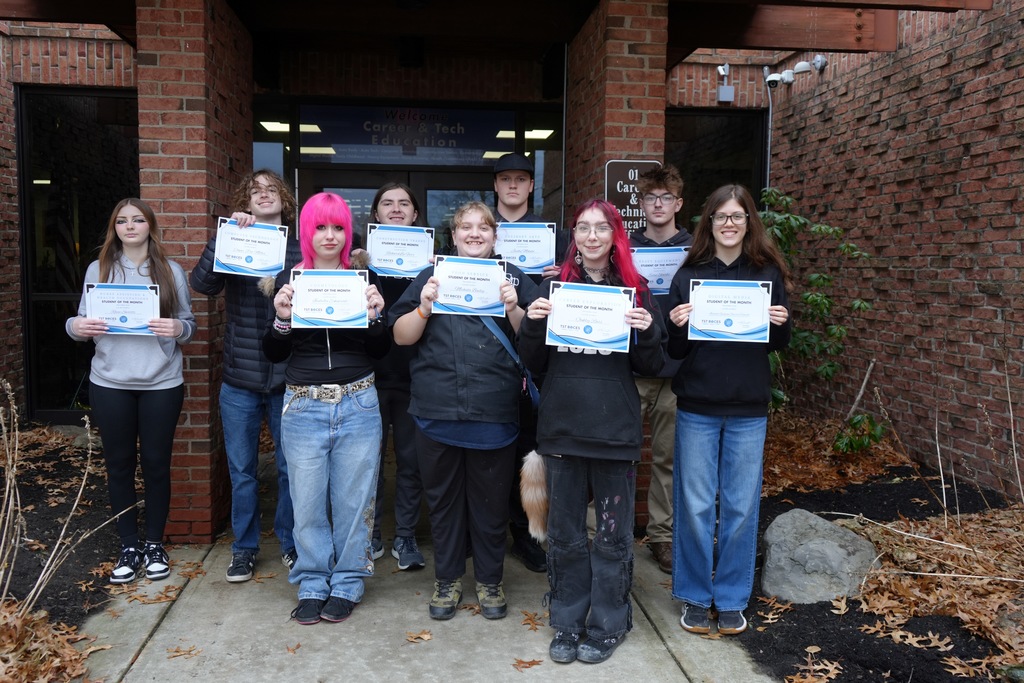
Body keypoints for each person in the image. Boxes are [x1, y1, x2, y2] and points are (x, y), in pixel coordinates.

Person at [519, 198, 665, 664]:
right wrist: (535, 324)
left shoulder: (637, 292)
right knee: (564, 536)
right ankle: (566, 622)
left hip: (614, 432)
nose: (592, 236)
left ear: (615, 235)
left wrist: (645, 330)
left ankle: (608, 623)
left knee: (612, 538)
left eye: (602, 228)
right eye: (583, 228)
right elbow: (533, 364)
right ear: (574, 237)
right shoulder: (554, 288)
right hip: (562, 429)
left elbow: (653, 365)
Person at [389, 200, 538, 621]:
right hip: (437, 414)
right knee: (443, 504)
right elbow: (400, 336)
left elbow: (537, 341)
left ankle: (490, 581)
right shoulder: (431, 276)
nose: (475, 233)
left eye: (483, 228)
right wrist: (423, 306)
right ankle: (448, 579)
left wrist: (513, 307)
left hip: (494, 414)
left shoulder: (513, 278)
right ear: (452, 237)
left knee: (491, 506)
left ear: (495, 236)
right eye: (465, 227)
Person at [665, 184, 792, 636]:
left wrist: (782, 322)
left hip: (748, 407)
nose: (730, 224)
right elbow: (675, 347)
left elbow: (778, 342)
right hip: (698, 404)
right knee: (696, 505)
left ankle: (733, 597)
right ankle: (697, 595)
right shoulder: (690, 274)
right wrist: (676, 324)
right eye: (722, 217)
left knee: (739, 507)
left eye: (738, 216)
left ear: (749, 222)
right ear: (710, 223)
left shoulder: (767, 272)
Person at [262, 191, 391, 625]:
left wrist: (377, 316)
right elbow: (273, 353)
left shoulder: (364, 276)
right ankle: (313, 581)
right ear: (307, 232)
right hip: (303, 404)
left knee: (355, 501)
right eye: (321, 227)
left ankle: (349, 581)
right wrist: (281, 318)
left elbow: (381, 349)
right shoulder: (289, 278)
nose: (330, 236)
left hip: (358, 399)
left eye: (338, 227)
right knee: (307, 502)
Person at [66, 198, 196, 585]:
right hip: (110, 382)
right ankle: (128, 545)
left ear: (150, 226)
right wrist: (78, 327)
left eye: (138, 219)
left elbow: (188, 324)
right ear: (114, 228)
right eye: (121, 220)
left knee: (156, 465)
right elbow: (78, 320)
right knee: (119, 465)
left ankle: (154, 544)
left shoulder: (170, 271)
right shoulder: (99, 268)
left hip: (160, 382)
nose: (130, 226)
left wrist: (178, 329)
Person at [189, 169, 301, 583]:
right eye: (255, 191)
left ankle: (290, 544)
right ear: (245, 201)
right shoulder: (233, 238)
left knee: (291, 469)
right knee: (243, 471)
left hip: (287, 377)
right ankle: (245, 548)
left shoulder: (296, 248)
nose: (264, 195)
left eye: (272, 189)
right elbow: (202, 284)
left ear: (283, 199)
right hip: (239, 379)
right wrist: (222, 240)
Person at [492, 151, 561, 573]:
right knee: (491, 454)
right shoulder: (477, 233)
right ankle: (486, 530)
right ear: (496, 186)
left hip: (529, 365)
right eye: (505, 179)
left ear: (531, 186)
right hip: (486, 362)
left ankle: (524, 534)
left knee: (525, 452)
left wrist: (560, 277)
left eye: (521, 178)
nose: (513, 185)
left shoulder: (553, 239)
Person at [629, 164, 692, 574]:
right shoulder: (626, 248)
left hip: (677, 368)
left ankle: (662, 537)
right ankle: (607, 530)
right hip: (632, 366)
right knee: (619, 454)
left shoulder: (695, 250)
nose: (657, 204)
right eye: (650, 197)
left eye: (665, 197)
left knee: (667, 458)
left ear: (678, 203)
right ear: (641, 203)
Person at [368, 182, 426, 571]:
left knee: (410, 462)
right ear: (375, 214)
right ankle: (369, 533)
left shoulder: (434, 264)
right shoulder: (357, 263)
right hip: (368, 375)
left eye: (404, 203)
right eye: (387, 203)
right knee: (367, 463)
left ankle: (405, 536)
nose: (396, 209)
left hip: (413, 376)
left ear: (416, 215)